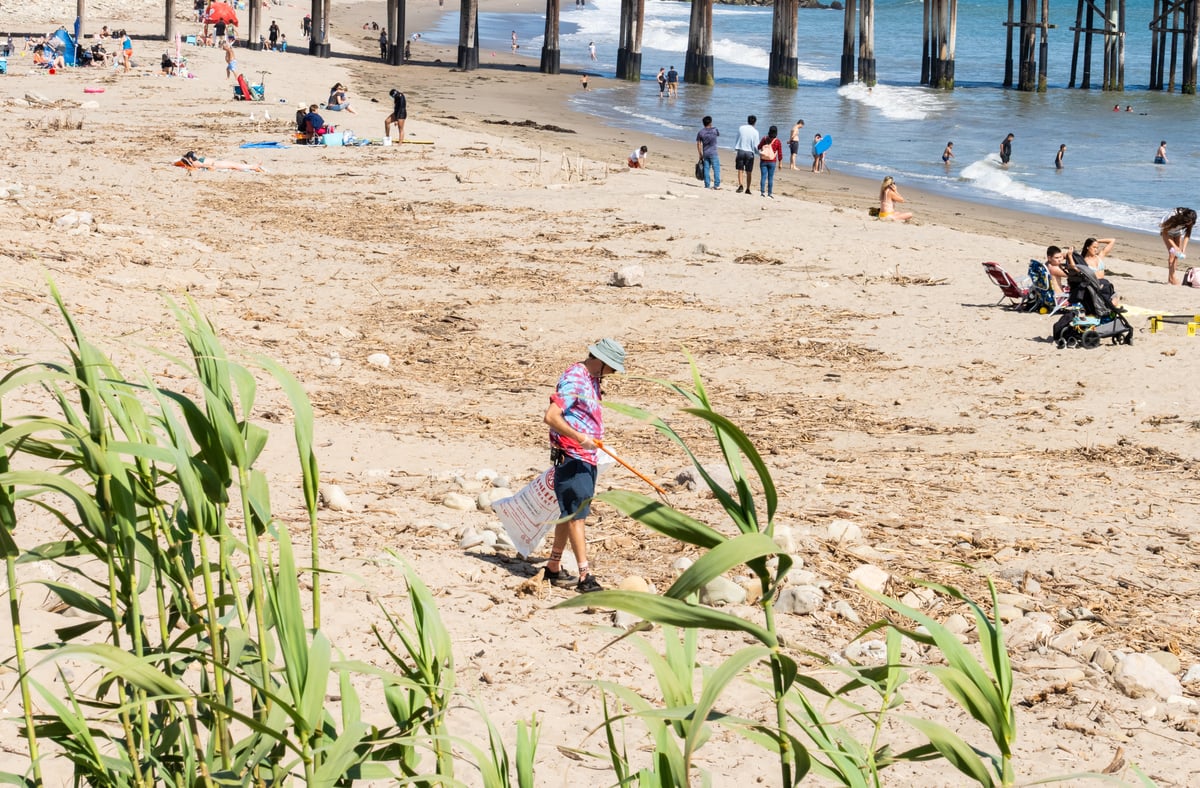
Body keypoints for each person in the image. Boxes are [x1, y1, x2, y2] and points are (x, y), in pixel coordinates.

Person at [541, 338, 627, 594]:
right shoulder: (576, 377)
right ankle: (585, 576)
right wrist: (580, 438)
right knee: (578, 516)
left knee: (568, 514)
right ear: (600, 361)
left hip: (587, 457)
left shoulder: (593, 379)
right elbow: (551, 416)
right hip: (573, 457)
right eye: (612, 367)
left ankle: (553, 567)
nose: (613, 373)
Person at [1159, 207, 1196, 285]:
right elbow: (1165, 232)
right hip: (1166, 231)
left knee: (1177, 256)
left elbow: (1187, 235)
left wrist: (1183, 249)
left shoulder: (1190, 220)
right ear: (1184, 218)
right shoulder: (1174, 217)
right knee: (1172, 254)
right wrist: (1175, 247)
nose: (1188, 224)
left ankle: (1171, 278)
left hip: (1177, 232)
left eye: (1190, 222)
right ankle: (1172, 278)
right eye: (1187, 222)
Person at [733, 115, 759, 194]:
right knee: (749, 171)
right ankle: (748, 188)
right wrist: (759, 153)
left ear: (747, 121)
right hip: (749, 153)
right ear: (755, 122)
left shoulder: (741, 128)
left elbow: (738, 138)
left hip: (741, 150)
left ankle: (741, 185)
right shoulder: (755, 132)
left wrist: (736, 148)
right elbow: (756, 145)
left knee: (740, 169)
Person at [175, 151, 265, 172]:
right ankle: (253, 167)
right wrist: (211, 168)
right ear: (190, 159)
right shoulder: (196, 163)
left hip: (217, 162)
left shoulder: (195, 161)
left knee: (234, 164)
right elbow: (206, 166)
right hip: (216, 163)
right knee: (234, 165)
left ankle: (253, 166)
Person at [696, 115, 721, 190]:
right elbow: (718, 134)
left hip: (705, 153)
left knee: (706, 169)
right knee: (716, 168)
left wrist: (700, 154)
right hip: (713, 152)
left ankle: (707, 185)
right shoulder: (715, 130)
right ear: (710, 123)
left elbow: (698, 144)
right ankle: (716, 185)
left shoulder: (701, 132)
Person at [758, 125, 782, 198]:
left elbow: (758, 147)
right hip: (772, 161)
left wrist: (763, 148)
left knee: (763, 176)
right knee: (770, 177)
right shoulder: (777, 141)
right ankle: (769, 193)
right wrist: (780, 163)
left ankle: (762, 192)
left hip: (763, 160)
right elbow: (780, 153)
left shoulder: (764, 139)